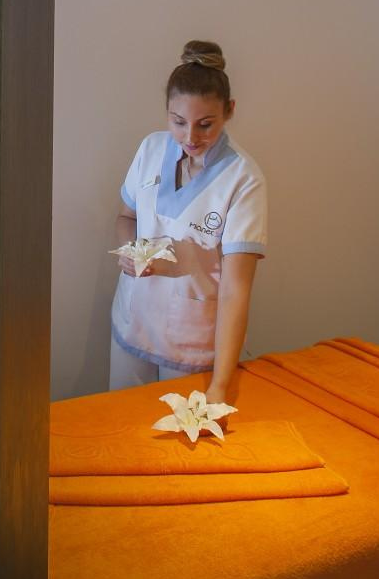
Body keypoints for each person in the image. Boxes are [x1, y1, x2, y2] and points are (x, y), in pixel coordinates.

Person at [110, 41, 268, 407]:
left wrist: (221, 385)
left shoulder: (244, 179)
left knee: (179, 438)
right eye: (178, 122)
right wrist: (130, 250)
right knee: (118, 426)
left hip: (192, 342)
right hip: (133, 321)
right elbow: (125, 217)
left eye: (205, 125)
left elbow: (236, 291)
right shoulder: (151, 149)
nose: (190, 138)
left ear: (229, 111)